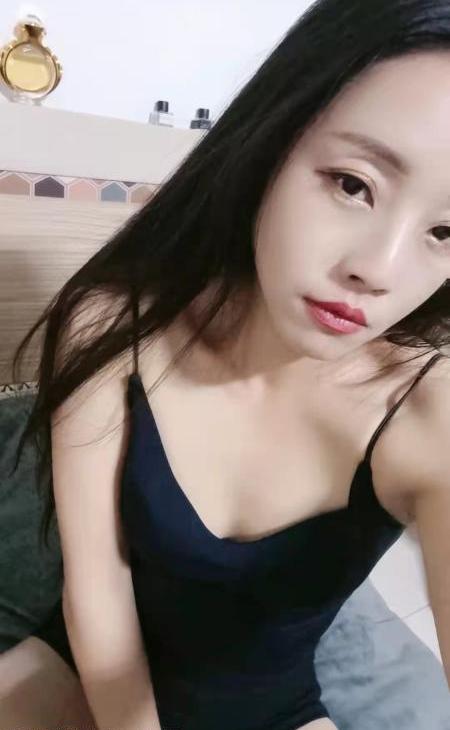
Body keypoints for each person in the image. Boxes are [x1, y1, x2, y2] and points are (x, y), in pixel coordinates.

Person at [2, 0, 450, 728]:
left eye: (446, 231)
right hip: (88, 671)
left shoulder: (428, 412)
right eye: (352, 184)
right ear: (272, 140)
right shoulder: (111, 325)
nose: (379, 270)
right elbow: (99, 588)